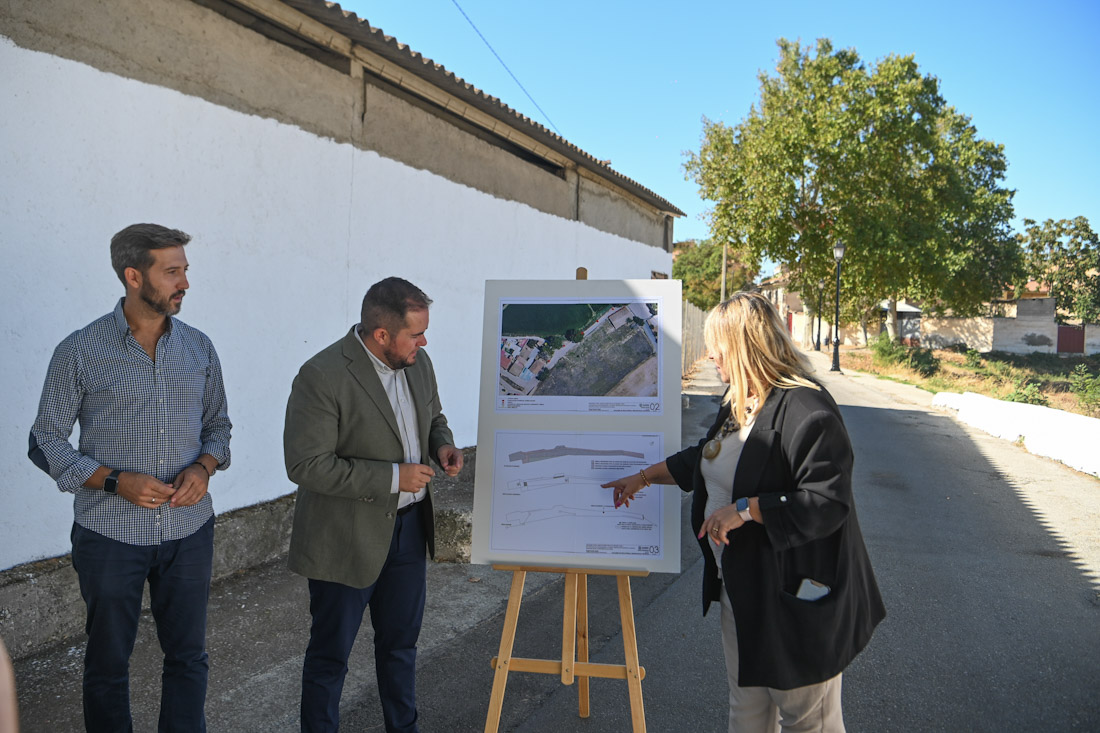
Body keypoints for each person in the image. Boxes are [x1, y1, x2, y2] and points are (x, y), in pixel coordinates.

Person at [603, 292, 885, 733]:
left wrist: (746, 510)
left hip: (793, 597)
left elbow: (827, 502)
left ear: (746, 345)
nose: (711, 354)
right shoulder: (740, 398)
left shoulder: (808, 411)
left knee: (807, 721)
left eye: (718, 345)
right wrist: (643, 477)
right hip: (742, 589)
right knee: (747, 714)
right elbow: (708, 456)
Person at [28, 223, 232, 732]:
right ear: (133, 276)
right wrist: (115, 481)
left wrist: (204, 467)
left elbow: (219, 427)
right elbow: (45, 440)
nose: (185, 283)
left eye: (185, 270)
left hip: (188, 530)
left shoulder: (199, 348)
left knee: (188, 657)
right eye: (172, 272)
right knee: (107, 664)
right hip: (109, 536)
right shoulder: (79, 350)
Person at [284, 276, 464, 733]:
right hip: (344, 537)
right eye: (416, 334)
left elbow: (433, 416)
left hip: (409, 531)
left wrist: (442, 444)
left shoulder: (418, 362)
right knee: (330, 657)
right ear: (382, 334)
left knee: (401, 648)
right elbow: (306, 465)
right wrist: (393, 478)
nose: (424, 342)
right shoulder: (321, 374)